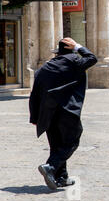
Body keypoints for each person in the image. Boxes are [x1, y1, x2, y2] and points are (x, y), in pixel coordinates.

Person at [29, 38, 97, 190]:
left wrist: (34, 117)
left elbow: (34, 94)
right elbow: (92, 58)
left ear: (58, 53)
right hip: (67, 110)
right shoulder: (74, 61)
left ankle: (61, 177)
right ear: (71, 50)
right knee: (72, 141)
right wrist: (78, 47)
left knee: (56, 144)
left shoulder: (44, 68)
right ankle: (50, 167)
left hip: (47, 112)